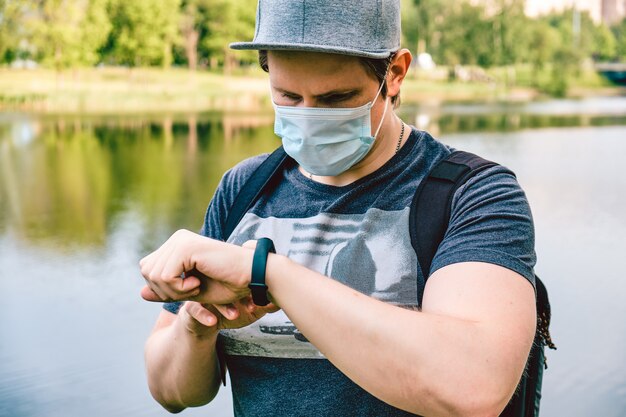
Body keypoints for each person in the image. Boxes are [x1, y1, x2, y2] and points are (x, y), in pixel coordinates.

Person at [139, 0, 537, 416]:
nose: (309, 116)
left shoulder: (473, 193)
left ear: (395, 73)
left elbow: (474, 388)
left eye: (336, 99)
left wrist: (266, 273)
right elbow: (171, 392)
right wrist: (196, 321)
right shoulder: (245, 189)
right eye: (288, 96)